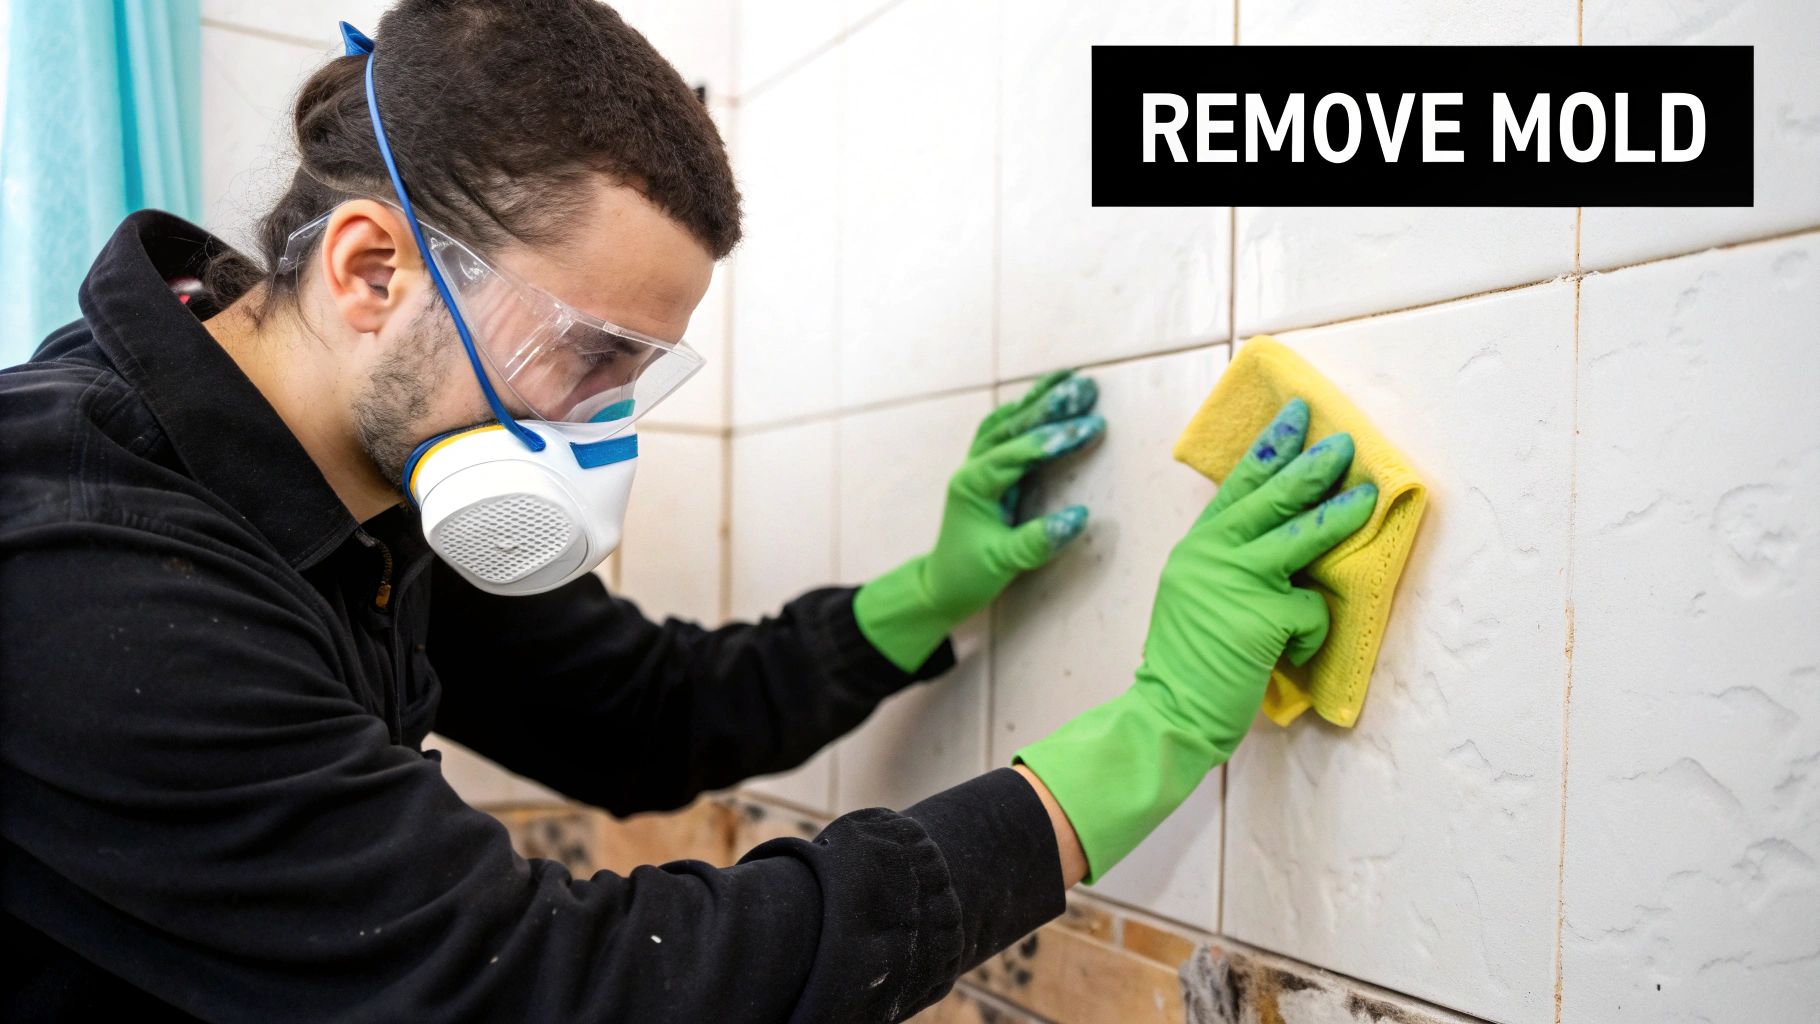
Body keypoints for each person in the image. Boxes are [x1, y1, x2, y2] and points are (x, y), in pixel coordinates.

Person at [0, 1, 1376, 1019]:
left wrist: (928, 592)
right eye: (590, 352)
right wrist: (1143, 741)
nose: (598, 419)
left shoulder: (372, 485)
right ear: (372, 274)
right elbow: (555, 992)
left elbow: (639, 713)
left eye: (639, 375)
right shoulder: (80, 565)